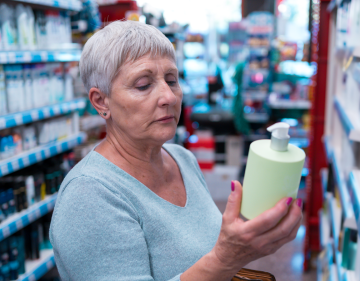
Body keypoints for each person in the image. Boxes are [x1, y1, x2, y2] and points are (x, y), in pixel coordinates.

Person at [49, 20, 303, 281]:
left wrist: (247, 239)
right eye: (143, 85)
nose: (169, 97)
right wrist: (225, 258)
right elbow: (218, 260)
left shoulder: (182, 158)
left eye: (171, 80)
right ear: (101, 101)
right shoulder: (89, 196)